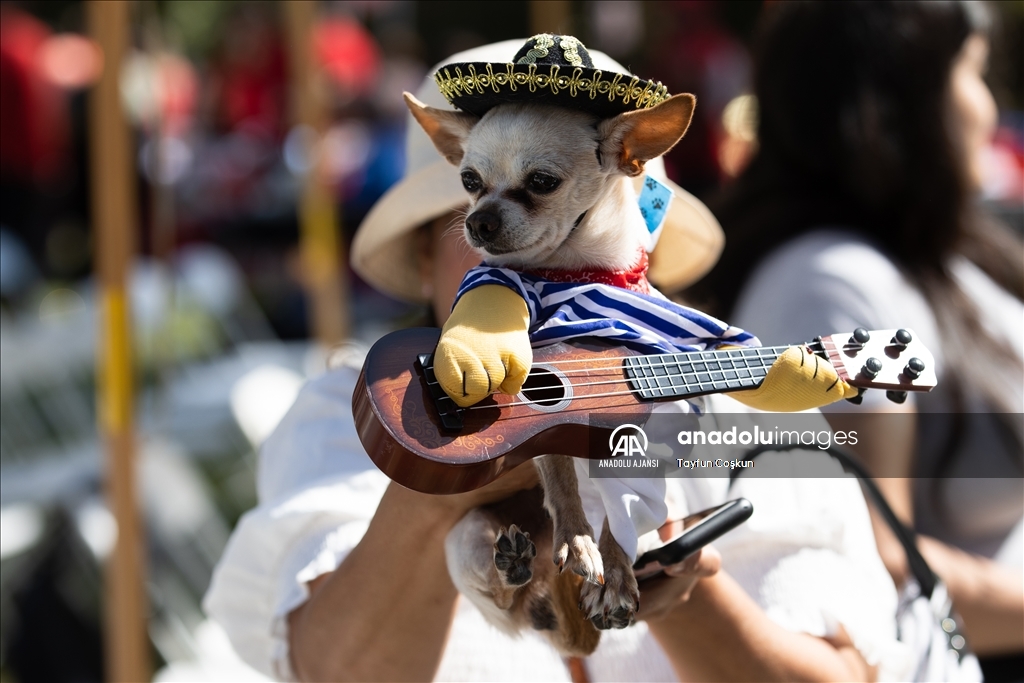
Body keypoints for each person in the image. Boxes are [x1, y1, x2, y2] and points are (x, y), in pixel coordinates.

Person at [204, 41, 904, 682]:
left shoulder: (735, 417)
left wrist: (679, 593)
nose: (534, 254)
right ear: (425, 254)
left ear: (632, 238)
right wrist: (436, 484)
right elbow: (333, 670)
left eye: (545, 189)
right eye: (476, 194)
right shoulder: (350, 412)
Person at [693, 0, 1024, 672]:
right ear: (900, 97)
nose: (988, 108)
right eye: (973, 73)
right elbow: (876, 552)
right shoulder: (828, 281)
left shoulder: (943, 254)